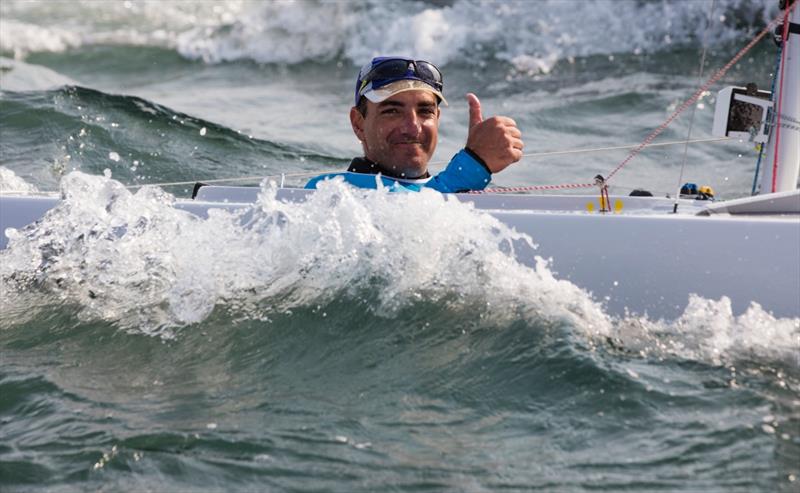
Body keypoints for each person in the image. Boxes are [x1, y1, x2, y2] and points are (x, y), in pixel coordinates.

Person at [305, 56, 524, 192]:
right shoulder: (329, 191)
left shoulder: (458, 185)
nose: (412, 127)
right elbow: (409, 218)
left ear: (437, 119)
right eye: (392, 111)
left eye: (425, 111)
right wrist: (474, 165)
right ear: (358, 123)